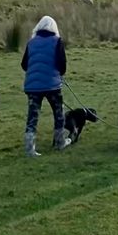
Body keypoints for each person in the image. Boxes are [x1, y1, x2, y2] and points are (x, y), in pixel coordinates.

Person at [21, 15, 69, 157]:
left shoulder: (31, 42)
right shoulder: (57, 41)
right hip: (52, 85)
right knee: (58, 113)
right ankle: (59, 142)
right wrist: (59, 73)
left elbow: (24, 65)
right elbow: (62, 64)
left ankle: (30, 148)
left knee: (32, 117)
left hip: (33, 87)